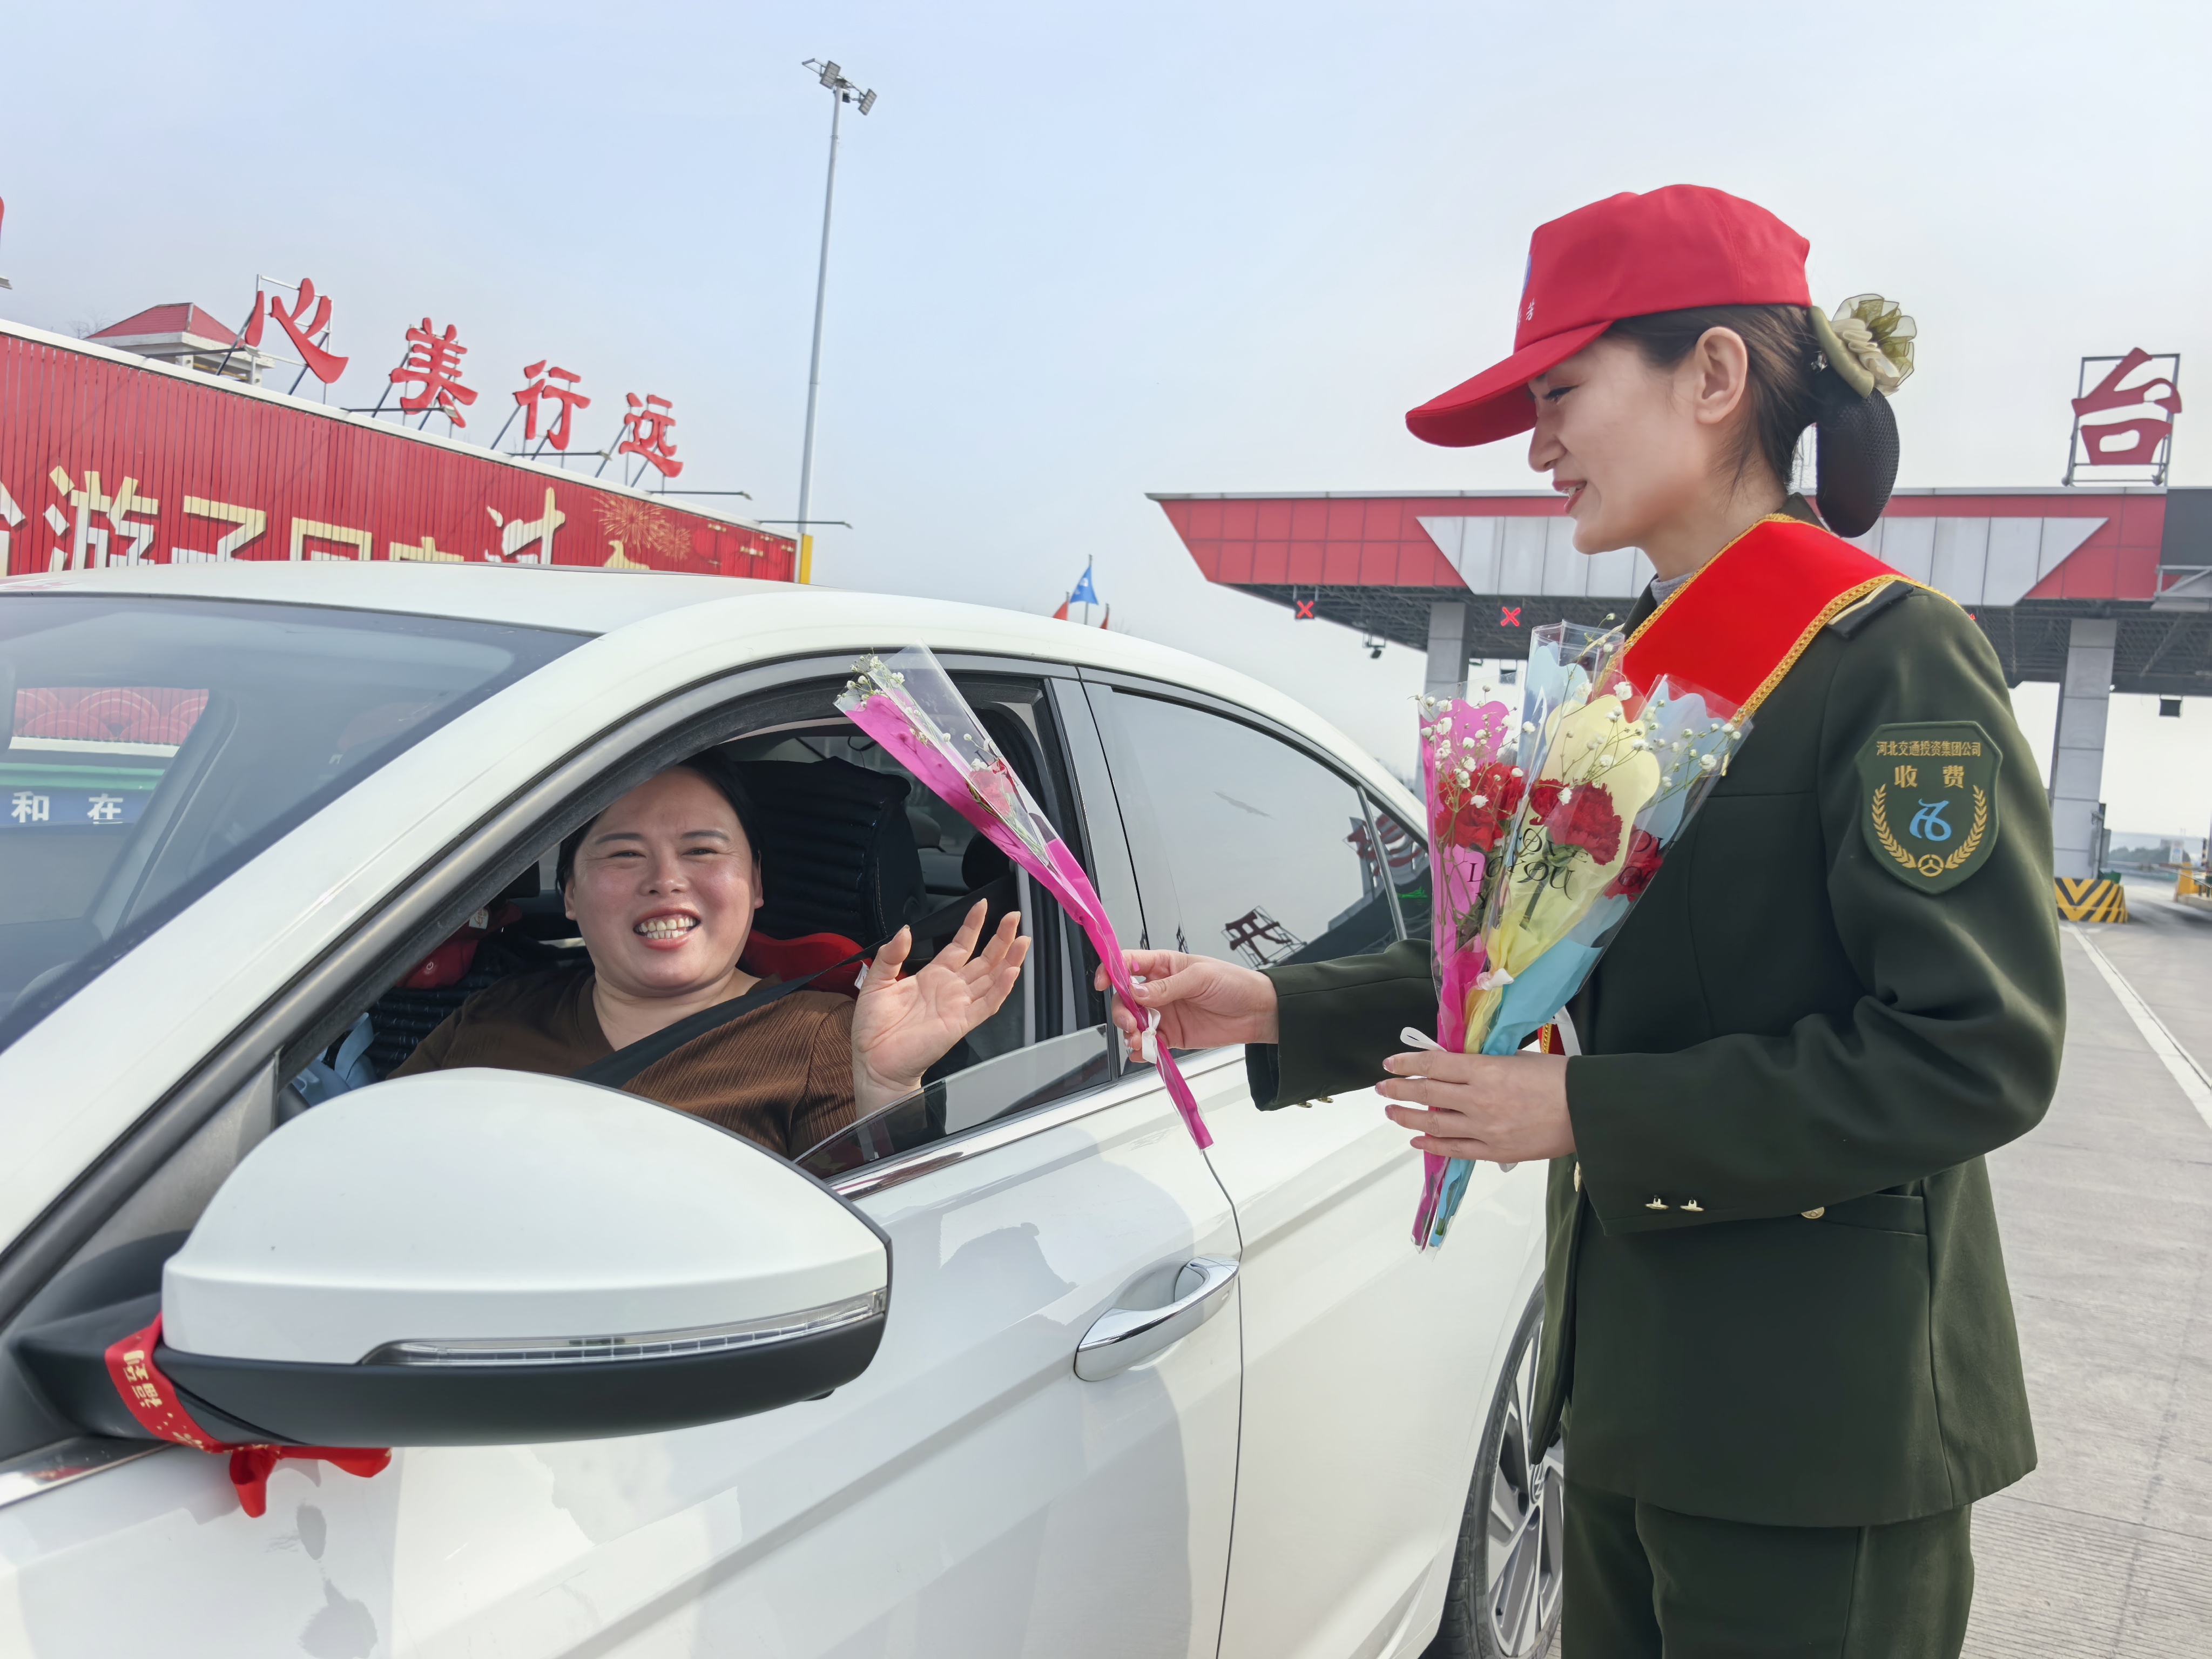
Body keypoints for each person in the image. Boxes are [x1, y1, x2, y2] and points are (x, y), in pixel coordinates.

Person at [1105, 186, 2062, 1657]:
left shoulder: (1892, 663)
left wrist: (1588, 1109)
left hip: (1821, 1427)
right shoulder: (1634, 671)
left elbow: (1972, 1054)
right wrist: (1280, 1005)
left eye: (1561, 396)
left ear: (1718, 379)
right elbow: (1515, 952)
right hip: (1625, 1399)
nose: (1541, 449)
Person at [395, 757, 1028, 1157]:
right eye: (622, 853)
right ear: (568, 894)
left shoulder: (828, 1039)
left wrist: (887, 1093)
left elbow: (886, 1248)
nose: (666, 879)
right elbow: (359, 1161)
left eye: (702, 851)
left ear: (755, 884)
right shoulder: (497, 1011)